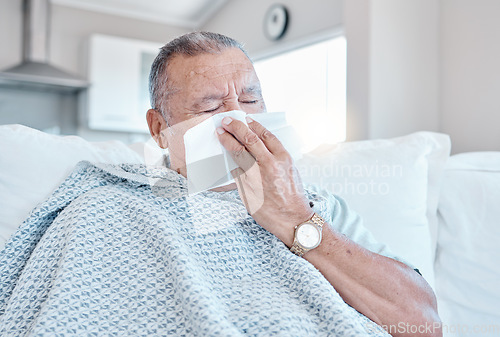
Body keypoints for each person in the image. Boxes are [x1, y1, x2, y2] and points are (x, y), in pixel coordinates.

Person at [146, 31, 441, 337]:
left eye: (250, 100)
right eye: (209, 108)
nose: (239, 119)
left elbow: (423, 324)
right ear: (158, 128)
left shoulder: (316, 203)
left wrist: (297, 220)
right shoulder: (121, 200)